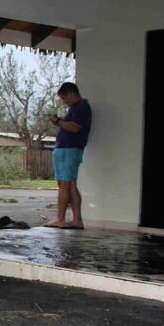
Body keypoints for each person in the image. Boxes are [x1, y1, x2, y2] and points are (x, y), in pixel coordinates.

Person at [46, 82, 91, 229]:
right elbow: (70, 125)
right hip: (71, 149)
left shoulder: (81, 108)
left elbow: (74, 128)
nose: (64, 102)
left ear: (72, 93)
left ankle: (60, 219)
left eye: (64, 98)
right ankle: (77, 220)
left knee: (64, 185)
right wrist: (59, 122)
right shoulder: (77, 108)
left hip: (68, 150)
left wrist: (58, 121)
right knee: (71, 185)